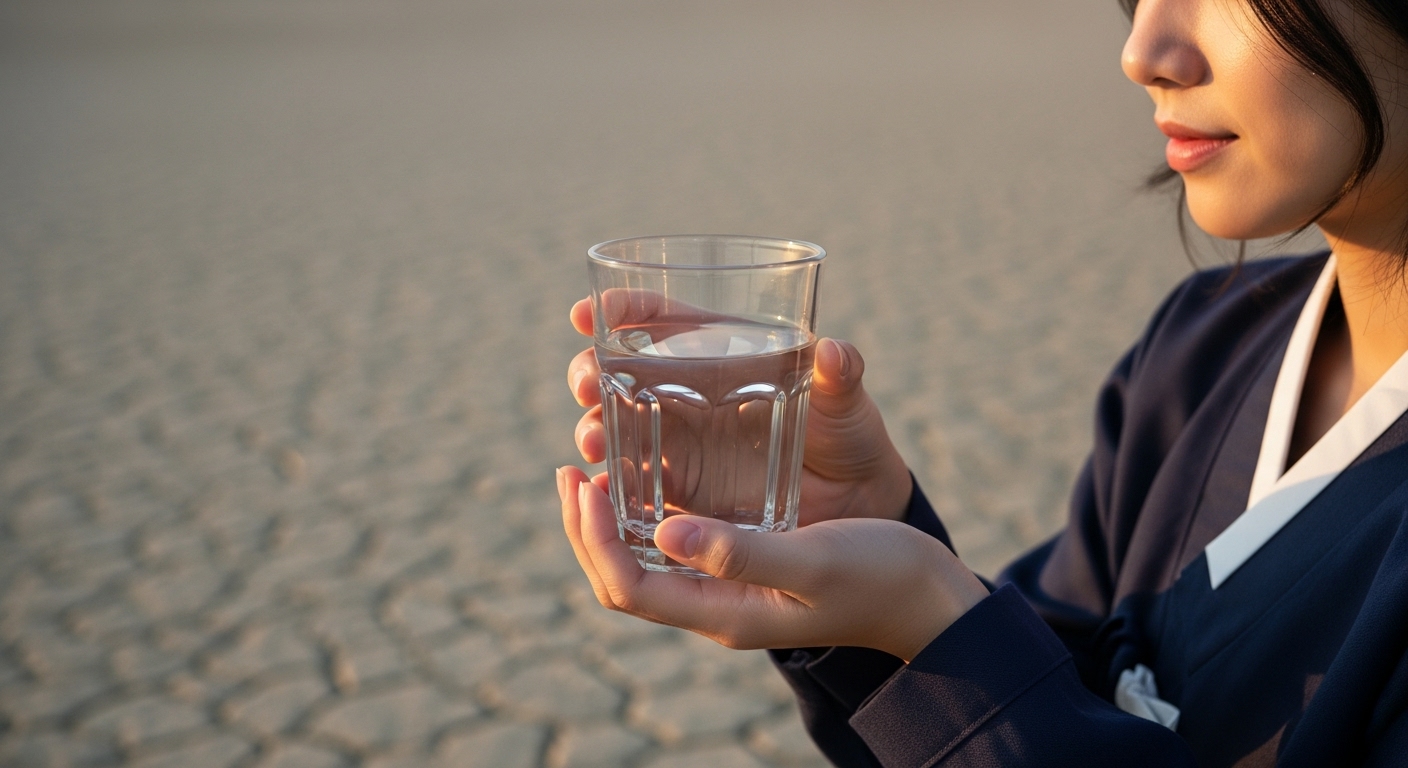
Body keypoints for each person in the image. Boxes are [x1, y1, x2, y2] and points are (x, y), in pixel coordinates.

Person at [557, 0, 1408, 764]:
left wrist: (934, 619)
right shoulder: (1201, 344)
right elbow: (1060, 686)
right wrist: (872, 553)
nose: (1145, 48)